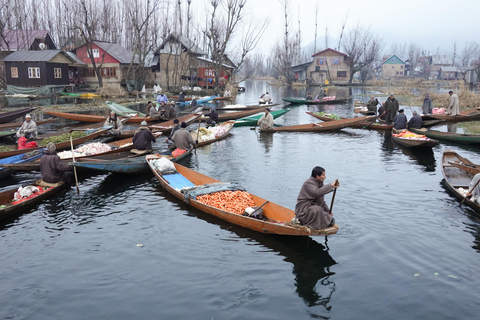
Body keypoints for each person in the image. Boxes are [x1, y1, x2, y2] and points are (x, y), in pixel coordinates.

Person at [295, 166, 340, 230]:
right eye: (323, 175)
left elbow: (321, 199)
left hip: (313, 206)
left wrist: (327, 210)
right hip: (303, 208)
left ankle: (322, 222)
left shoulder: (320, 183)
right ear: (317, 176)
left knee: (330, 220)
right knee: (317, 209)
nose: (325, 177)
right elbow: (317, 192)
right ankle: (303, 221)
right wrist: (331, 186)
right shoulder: (308, 183)